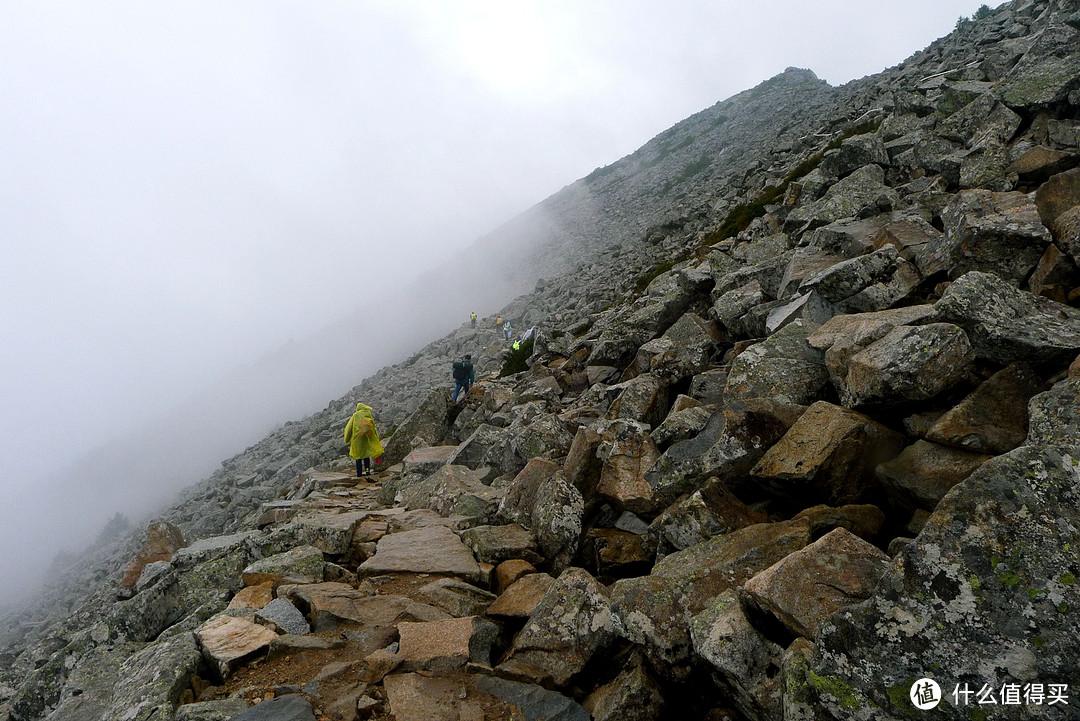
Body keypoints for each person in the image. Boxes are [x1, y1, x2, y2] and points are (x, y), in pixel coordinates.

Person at [344, 402, 383, 477]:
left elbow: (349, 428)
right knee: (366, 454)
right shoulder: (368, 415)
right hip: (367, 437)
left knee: (358, 456)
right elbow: (373, 427)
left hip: (357, 438)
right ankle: (367, 471)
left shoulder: (355, 415)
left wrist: (347, 439)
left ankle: (359, 474)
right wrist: (376, 438)